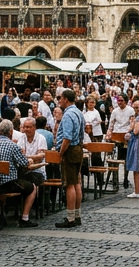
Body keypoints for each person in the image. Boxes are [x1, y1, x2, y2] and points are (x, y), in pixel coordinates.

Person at [0, 119, 39, 227]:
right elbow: (24, 164)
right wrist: (30, 160)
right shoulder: (13, 146)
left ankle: (0, 215)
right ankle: (25, 218)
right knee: (32, 187)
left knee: (3, 185)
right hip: (7, 184)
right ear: (11, 132)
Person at [55, 90, 87, 229]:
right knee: (76, 182)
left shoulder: (68, 114)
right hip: (78, 148)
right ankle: (77, 214)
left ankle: (70, 217)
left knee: (69, 184)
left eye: (60, 98)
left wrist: (61, 152)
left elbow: (67, 137)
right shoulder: (79, 112)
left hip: (71, 150)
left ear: (66, 99)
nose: (59, 101)